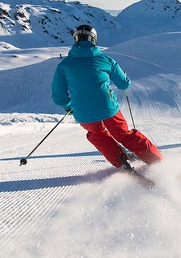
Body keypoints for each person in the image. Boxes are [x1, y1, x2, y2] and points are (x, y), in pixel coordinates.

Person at [51, 24, 163, 170]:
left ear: (76, 39)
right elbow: (123, 84)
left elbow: (59, 95)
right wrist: (125, 79)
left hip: (83, 112)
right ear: (94, 40)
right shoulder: (105, 60)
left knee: (98, 135)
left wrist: (69, 106)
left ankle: (121, 163)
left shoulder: (64, 65)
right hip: (108, 106)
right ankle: (156, 161)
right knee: (123, 134)